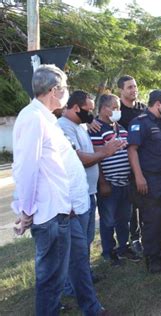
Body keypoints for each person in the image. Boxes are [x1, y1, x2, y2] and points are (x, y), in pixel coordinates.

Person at [12, 64, 106, 315]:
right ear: (55, 90)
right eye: (64, 89)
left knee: (79, 263)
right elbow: (26, 169)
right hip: (50, 213)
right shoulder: (32, 118)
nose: (66, 94)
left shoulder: (45, 117)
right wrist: (26, 210)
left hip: (67, 208)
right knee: (51, 279)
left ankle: (92, 308)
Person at [58, 90, 125, 295]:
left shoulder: (79, 125)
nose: (91, 114)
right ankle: (70, 285)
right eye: (88, 110)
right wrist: (105, 151)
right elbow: (79, 158)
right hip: (75, 195)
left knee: (84, 241)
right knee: (74, 244)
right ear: (76, 108)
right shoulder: (62, 128)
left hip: (87, 192)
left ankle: (83, 275)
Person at [127, 90, 161, 274]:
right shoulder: (140, 123)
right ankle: (152, 260)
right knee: (152, 218)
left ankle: (160, 250)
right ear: (158, 104)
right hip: (149, 179)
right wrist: (139, 177)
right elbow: (132, 151)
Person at [90, 94, 140, 264]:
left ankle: (123, 248)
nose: (117, 110)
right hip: (109, 184)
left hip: (124, 182)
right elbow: (96, 157)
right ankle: (108, 252)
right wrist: (103, 182)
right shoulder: (95, 129)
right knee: (108, 220)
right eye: (113, 107)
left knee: (123, 219)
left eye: (118, 107)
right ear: (103, 108)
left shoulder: (121, 129)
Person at [116, 75, 148, 255]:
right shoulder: (116, 111)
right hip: (123, 165)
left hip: (144, 163)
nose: (134, 90)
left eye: (135, 86)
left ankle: (147, 235)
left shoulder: (142, 109)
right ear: (121, 90)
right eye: (129, 87)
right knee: (130, 208)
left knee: (144, 203)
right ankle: (133, 239)